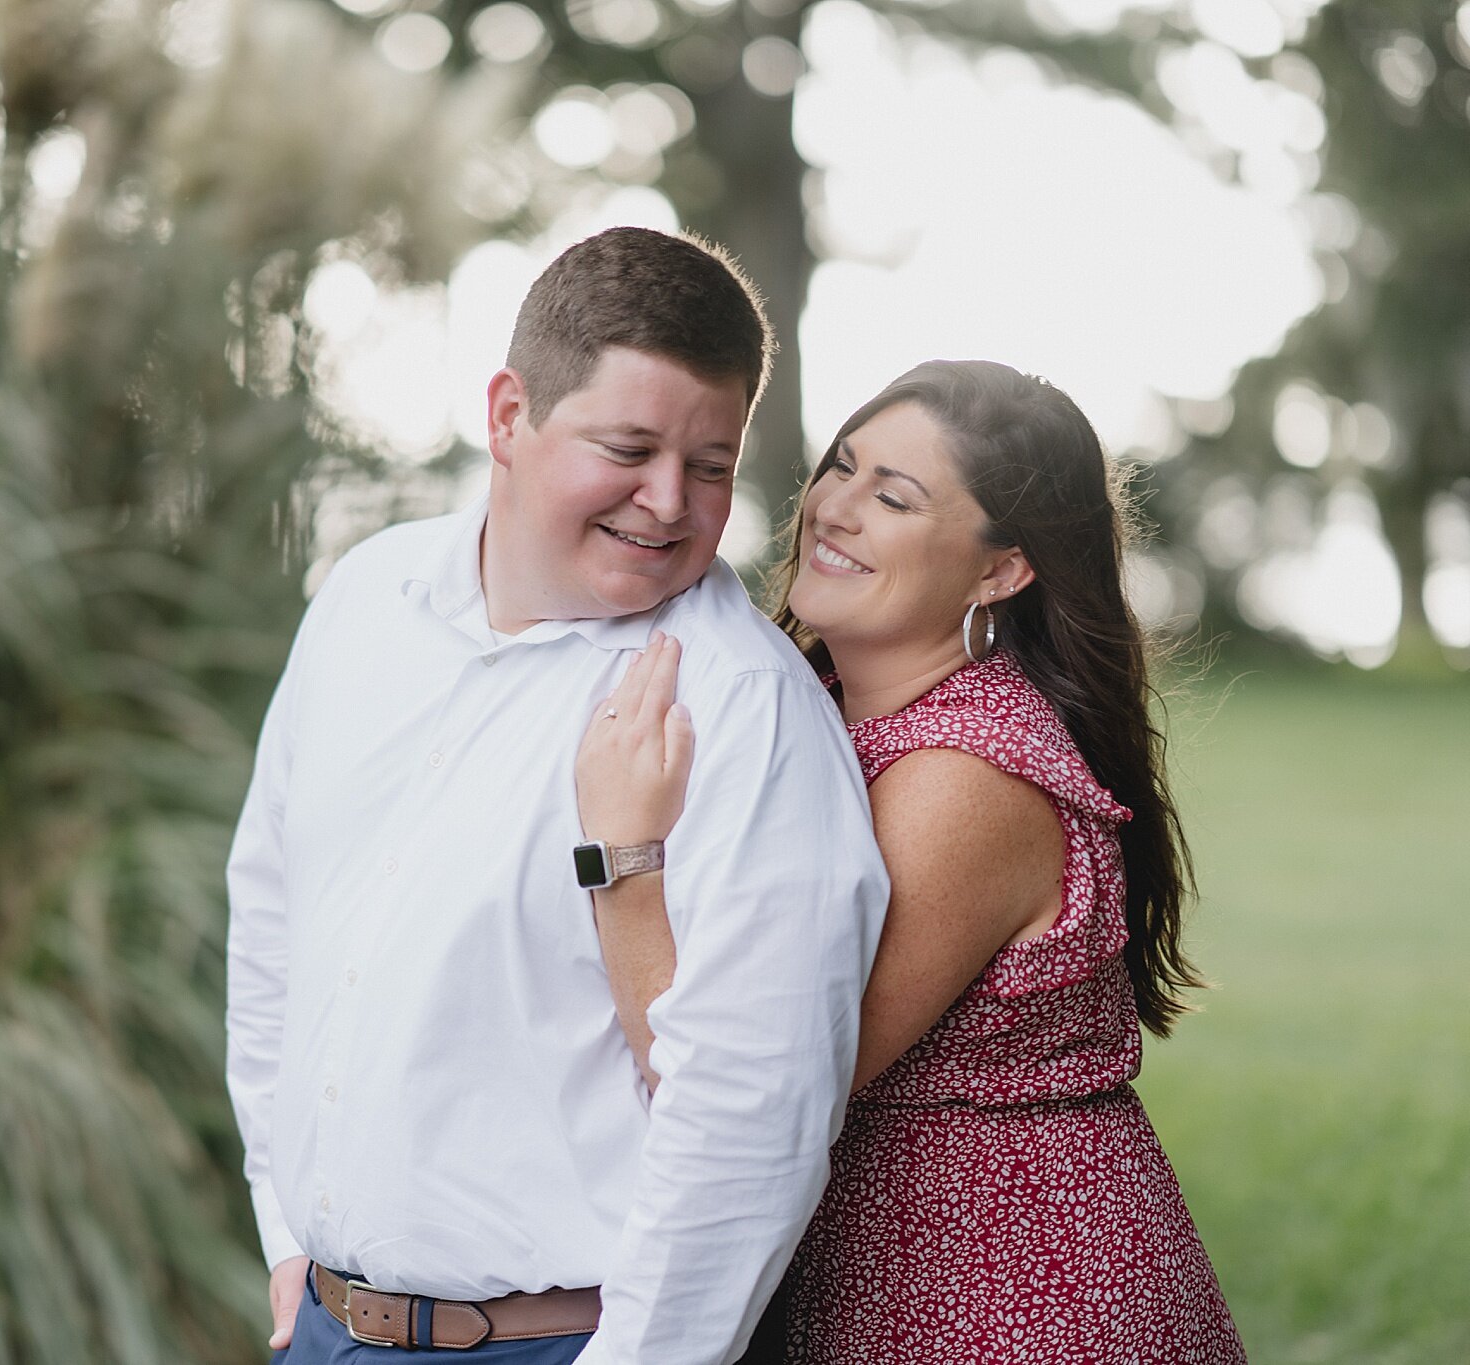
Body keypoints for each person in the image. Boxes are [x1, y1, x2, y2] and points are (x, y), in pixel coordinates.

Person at [224, 227, 889, 1365]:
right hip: (322, 1330)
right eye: (628, 448)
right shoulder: (367, 596)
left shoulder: (744, 708)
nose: (668, 501)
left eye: (711, 464)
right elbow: (276, 925)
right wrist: (284, 1225)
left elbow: (749, 1114)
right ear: (506, 416)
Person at [575, 360, 1246, 1362]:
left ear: (1000, 570)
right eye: (841, 468)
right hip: (879, 1283)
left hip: (1007, 1303)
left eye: (893, 498)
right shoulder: (825, 713)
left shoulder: (965, 779)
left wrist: (624, 856)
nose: (834, 509)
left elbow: (743, 1089)